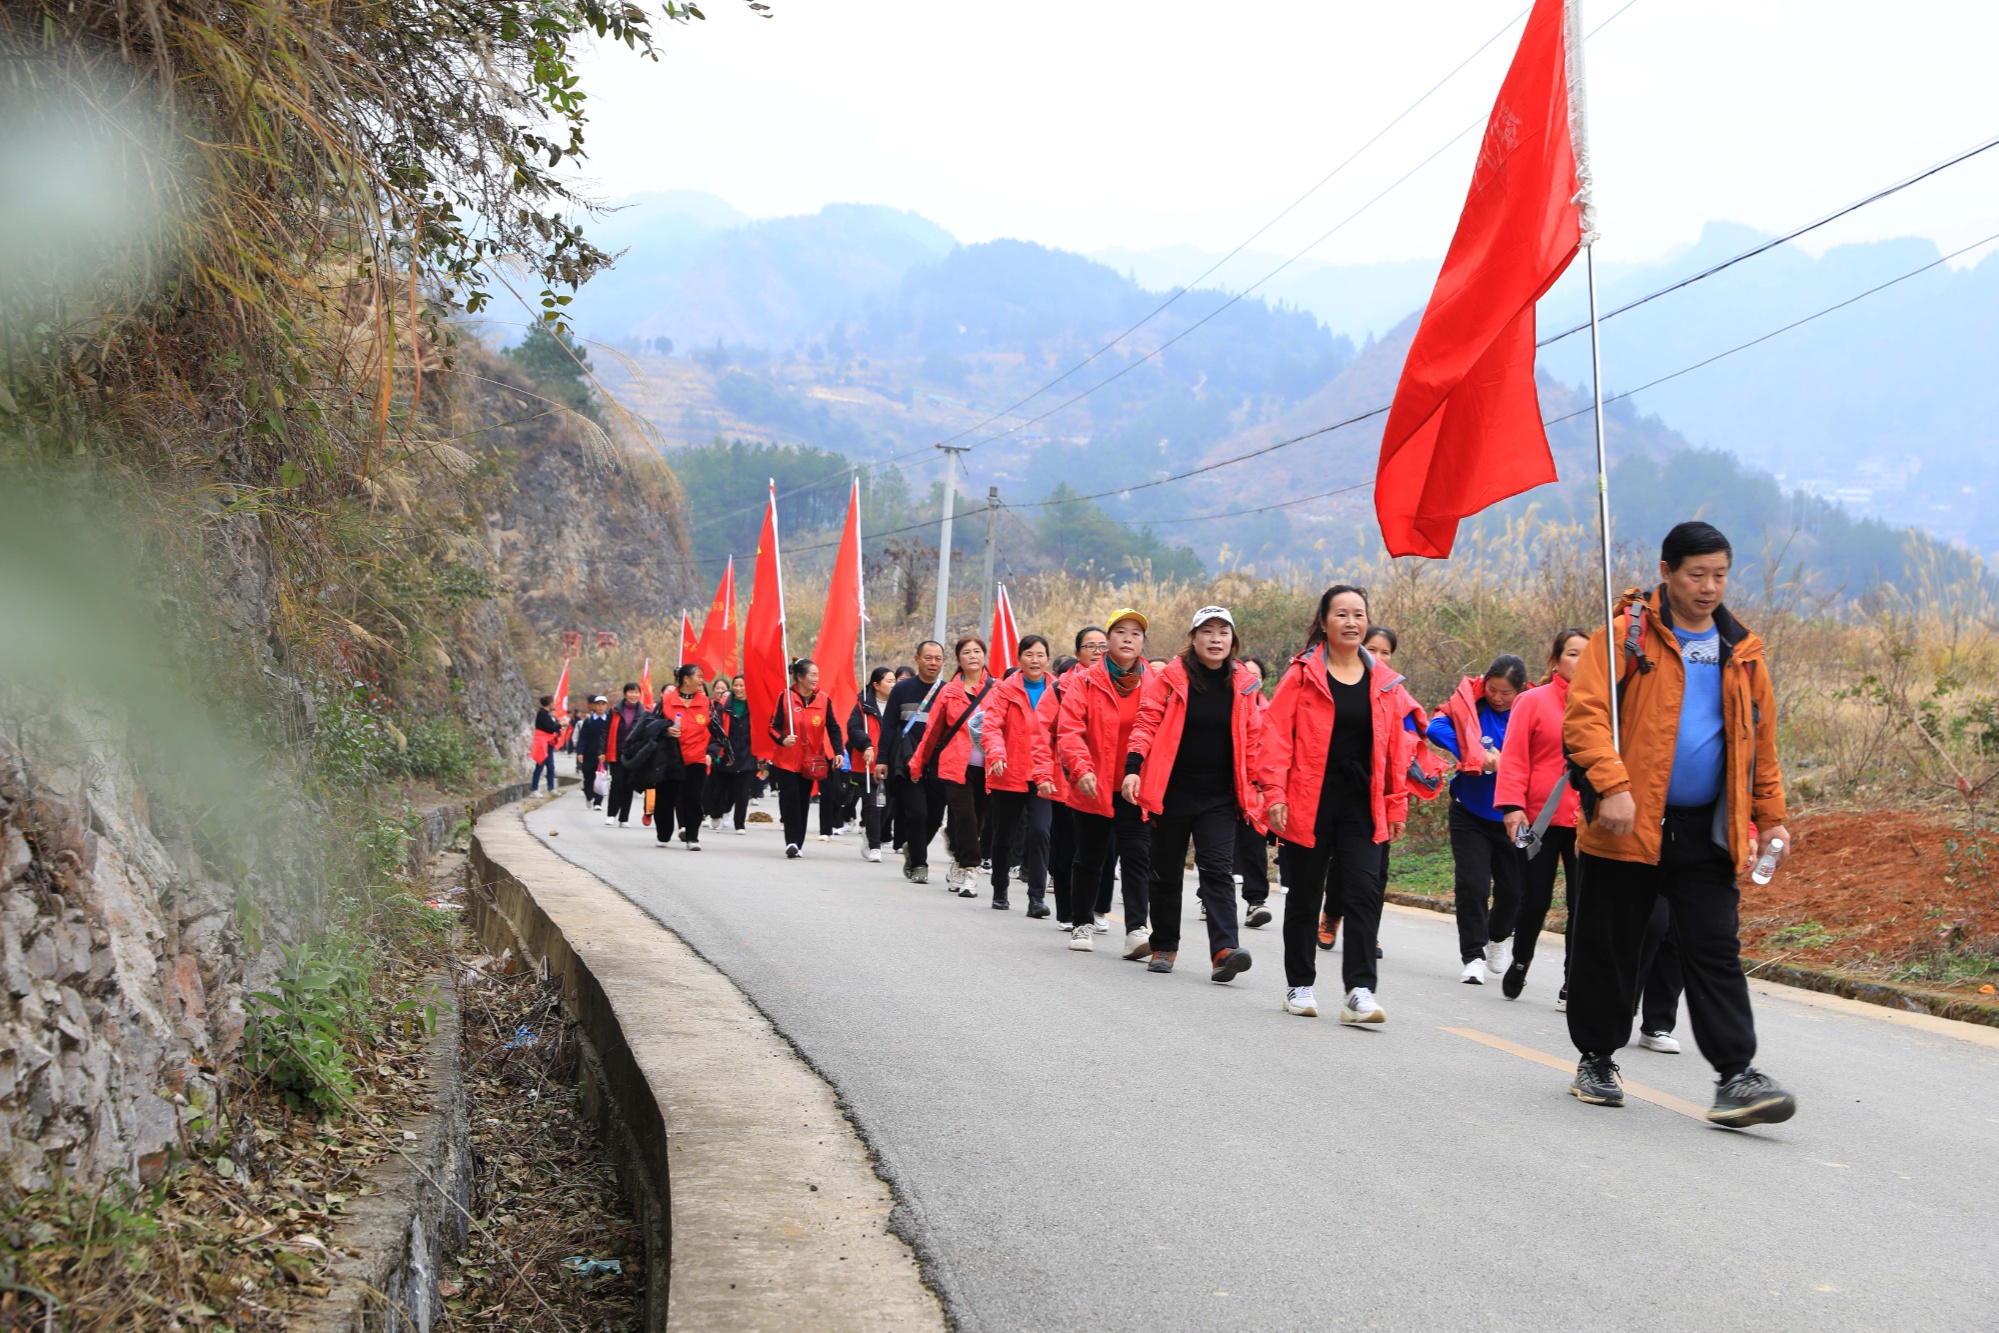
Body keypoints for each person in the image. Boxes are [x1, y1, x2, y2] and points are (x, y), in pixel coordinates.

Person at [1564, 521, 1796, 1126]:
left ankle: (1736, 1076)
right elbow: (1585, 720)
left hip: (1704, 832)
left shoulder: (1742, 652)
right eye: (1697, 574)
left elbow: (1760, 747)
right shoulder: (1621, 639)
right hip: (1627, 825)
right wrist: (1612, 787)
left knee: (1715, 949)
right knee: (1612, 948)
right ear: (1666, 572)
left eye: (1720, 574)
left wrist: (1771, 818)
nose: (1710, 586)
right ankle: (1596, 1057)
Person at [1263, 585, 1407, 1024]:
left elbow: (1396, 746)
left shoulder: (1384, 680)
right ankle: (1299, 985)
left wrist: (1396, 802)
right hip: (1310, 796)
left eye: (1358, 614)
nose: (1351, 622)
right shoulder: (1302, 674)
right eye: (1341, 614)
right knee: (1305, 894)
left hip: (1361, 800)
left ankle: (1360, 991)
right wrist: (1274, 793)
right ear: (1324, 621)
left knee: (1363, 892)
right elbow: (1274, 737)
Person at [1124, 607, 1268, 983]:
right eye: (1207, 631)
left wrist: (1260, 787)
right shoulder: (1170, 679)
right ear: (1193, 638)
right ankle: (1164, 945)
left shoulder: (1243, 684)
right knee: (1166, 873)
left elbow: (1254, 738)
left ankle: (1224, 950)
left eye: (1223, 632)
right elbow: (1146, 722)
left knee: (1218, 872)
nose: (1215, 639)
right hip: (1171, 791)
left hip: (1219, 796)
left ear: (1233, 641)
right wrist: (1133, 769)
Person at [1056, 610, 1154, 958]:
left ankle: (1136, 929)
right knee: (1090, 857)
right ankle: (1082, 922)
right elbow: (1069, 730)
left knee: (1137, 856)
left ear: (1143, 642)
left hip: (1135, 786)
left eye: (1136, 634)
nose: (1128, 639)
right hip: (1092, 785)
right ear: (1108, 641)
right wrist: (1081, 769)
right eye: (1121, 632)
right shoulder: (1084, 682)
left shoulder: (1155, 682)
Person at [1496, 629, 1587, 1001]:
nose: (1581, 662)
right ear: (1556, 660)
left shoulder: (1606, 707)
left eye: (1589, 655)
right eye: (1573, 653)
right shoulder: (1533, 701)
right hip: (1539, 820)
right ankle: (1520, 962)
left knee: (1582, 904)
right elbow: (1514, 756)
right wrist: (1512, 806)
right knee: (1535, 900)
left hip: (1587, 822)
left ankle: (1573, 980)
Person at [1428, 654, 1531, 985]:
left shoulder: (1529, 710)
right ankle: (1473, 955)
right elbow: (1436, 727)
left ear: (1521, 690)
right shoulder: (1471, 705)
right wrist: (1476, 755)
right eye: (1492, 689)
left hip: (1515, 817)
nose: (1497, 698)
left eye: (1506, 693)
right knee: (1471, 885)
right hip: (1469, 811)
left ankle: (1498, 937)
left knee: (1514, 891)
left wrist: (1507, 765)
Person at [911, 637, 996, 897]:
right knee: (965, 817)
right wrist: (918, 762)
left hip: (988, 766)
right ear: (959, 659)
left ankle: (959, 860)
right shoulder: (948, 691)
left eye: (977, 651)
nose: (972, 656)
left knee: (978, 820)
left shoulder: (998, 689)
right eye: (966, 652)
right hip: (954, 765)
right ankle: (971, 869)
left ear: (984, 656)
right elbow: (932, 731)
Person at [983, 634, 1061, 914]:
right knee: (1004, 834)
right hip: (1009, 771)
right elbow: (991, 726)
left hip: (1043, 774)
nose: (1035, 660)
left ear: (1047, 659)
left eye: (1040, 655)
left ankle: (1036, 898)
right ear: (1019, 659)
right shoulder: (1004, 689)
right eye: (1029, 654)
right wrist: (997, 754)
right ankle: (1000, 889)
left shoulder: (1058, 688)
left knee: (1041, 831)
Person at [1048, 629, 1107, 930]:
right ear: (1077, 651)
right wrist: (1045, 773)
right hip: (1065, 778)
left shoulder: (1123, 683)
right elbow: (1043, 731)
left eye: (1102, 645)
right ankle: (1067, 912)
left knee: (1102, 850)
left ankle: (1096, 909)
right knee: (1067, 848)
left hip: (1104, 782)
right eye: (1090, 646)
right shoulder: (1062, 686)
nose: (1097, 651)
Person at [879, 641, 949, 883]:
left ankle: (913, 847)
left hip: (939, 761)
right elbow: (888, 726)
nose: (933, 662)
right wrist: (882, 760)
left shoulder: (949, 691)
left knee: (935, 817)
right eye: (928, 657)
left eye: (938, 658)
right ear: (917, 659)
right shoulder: (902, 689)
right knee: (917, 812)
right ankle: (920, 864)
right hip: (908, 762)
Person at [768, 658, 840, 858]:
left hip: (811, 761)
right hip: (786, 760)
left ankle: (798, 842)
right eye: (812, 674)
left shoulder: (824, 699)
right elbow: (771, 727)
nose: (816, 678)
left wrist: (838, 752)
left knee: (803, 800)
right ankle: (791, 842)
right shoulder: (785, 697)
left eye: (817, 674)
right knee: (790, 800)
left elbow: (833, 728)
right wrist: (783, 739)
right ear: (800, 677)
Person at [1232, 656, 1274, 930]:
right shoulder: (1226, 705)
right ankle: (1208, 897)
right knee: (1217, 844)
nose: (1249, 679)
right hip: (1225, 784)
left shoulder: (1272, 713)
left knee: (1254, 844)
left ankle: (1256, 901)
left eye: (1255, 675)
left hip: (1255, 788)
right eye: (1244, 673)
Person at [656, 664, 718, 849]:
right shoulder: (666, 700)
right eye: (698, 676)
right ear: (686, 679)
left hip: (696, 759)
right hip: (671, 757)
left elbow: (716, 731)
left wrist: (712, 752)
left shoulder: (705, 702)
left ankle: (692, 837)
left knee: (693, 799)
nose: (702, 680)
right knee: (666, 798)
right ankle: (664, 833)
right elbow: (651, 723)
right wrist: (665, 730)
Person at [848, 667, 895, 863]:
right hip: (868, 764)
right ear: (876, 685)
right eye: (889, 681)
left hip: (891, 763)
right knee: (873, 805)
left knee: (887, 807)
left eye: (894, 681)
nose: (894, 685)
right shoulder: (863, 704)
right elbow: (853, 727)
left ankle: (870, 832)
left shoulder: (898, 704)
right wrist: (866, 744)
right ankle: (875, 846)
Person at [704, 677, 755, 834]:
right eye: (736, 685)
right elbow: (717, 730)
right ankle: (716, 815)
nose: (739, 689)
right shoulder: (724, 706)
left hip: (747, 755)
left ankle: (739, 823)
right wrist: (714, 751)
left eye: (742, 685)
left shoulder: (754, 707)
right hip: (725, 754)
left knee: (742, 792)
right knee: (720, 790)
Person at [602, 683, 646, 827]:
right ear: (625, 694)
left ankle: (624, 818)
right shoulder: (615, 710)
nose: (633, 695)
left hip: (633, 755)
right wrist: (601, 751)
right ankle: (611, 814)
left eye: (636, 692)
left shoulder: (644, 713)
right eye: (630, 692)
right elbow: (605, 731)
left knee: (629, 785)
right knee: (617, 783)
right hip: (617, 752)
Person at [575, 696, 610, 809]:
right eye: (598, 704)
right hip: (589, 754)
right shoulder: (589, 721)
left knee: (601, 777)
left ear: (606, 706)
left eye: (603, 704)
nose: (600, 706)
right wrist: (580, 752)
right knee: (589, 778)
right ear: (594, 706)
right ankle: (589, 796)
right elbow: (583, 738)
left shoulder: (609, 720)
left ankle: (598, 802)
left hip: (604, 755)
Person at [530, 695, 561, 792]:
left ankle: (551, 787)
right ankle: (534, 789)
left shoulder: (546, 714)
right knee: (540, 766)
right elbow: (550, 728)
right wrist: (559, 726)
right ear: (550, 703)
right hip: (543, 743)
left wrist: (558, 725)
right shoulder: (542, 714)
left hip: (549, 743)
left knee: (551, 767)